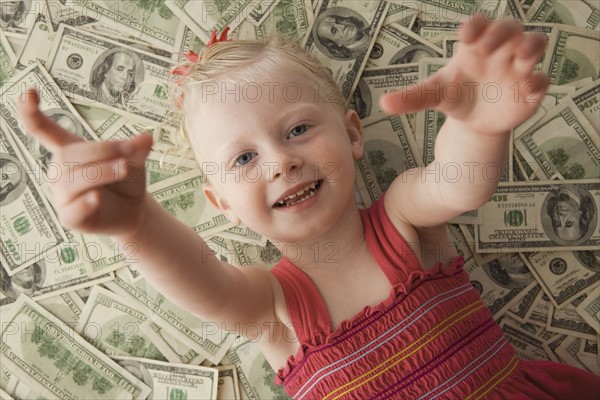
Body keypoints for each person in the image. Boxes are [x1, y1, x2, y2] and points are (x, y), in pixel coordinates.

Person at [18, 16, 599, 399]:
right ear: (221, 205)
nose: (279, 162)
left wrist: (478, 125)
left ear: (352, 134)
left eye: (297, 129)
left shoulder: (402, 218)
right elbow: (199, 279)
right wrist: (136, 224)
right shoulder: (271, 307)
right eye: (243, 160)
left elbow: (456, 182)